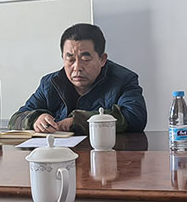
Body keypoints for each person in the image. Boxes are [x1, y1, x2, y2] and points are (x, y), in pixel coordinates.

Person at [9, 23, 147, 133]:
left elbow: (135, 117)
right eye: (70, 59)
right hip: (58, 156)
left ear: (102, 59)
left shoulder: (123, 80)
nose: (77, 67)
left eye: (85, 59)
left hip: (106, 155)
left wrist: (79, 121)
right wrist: (35, 119)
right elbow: (15, 119)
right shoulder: (50, 83)